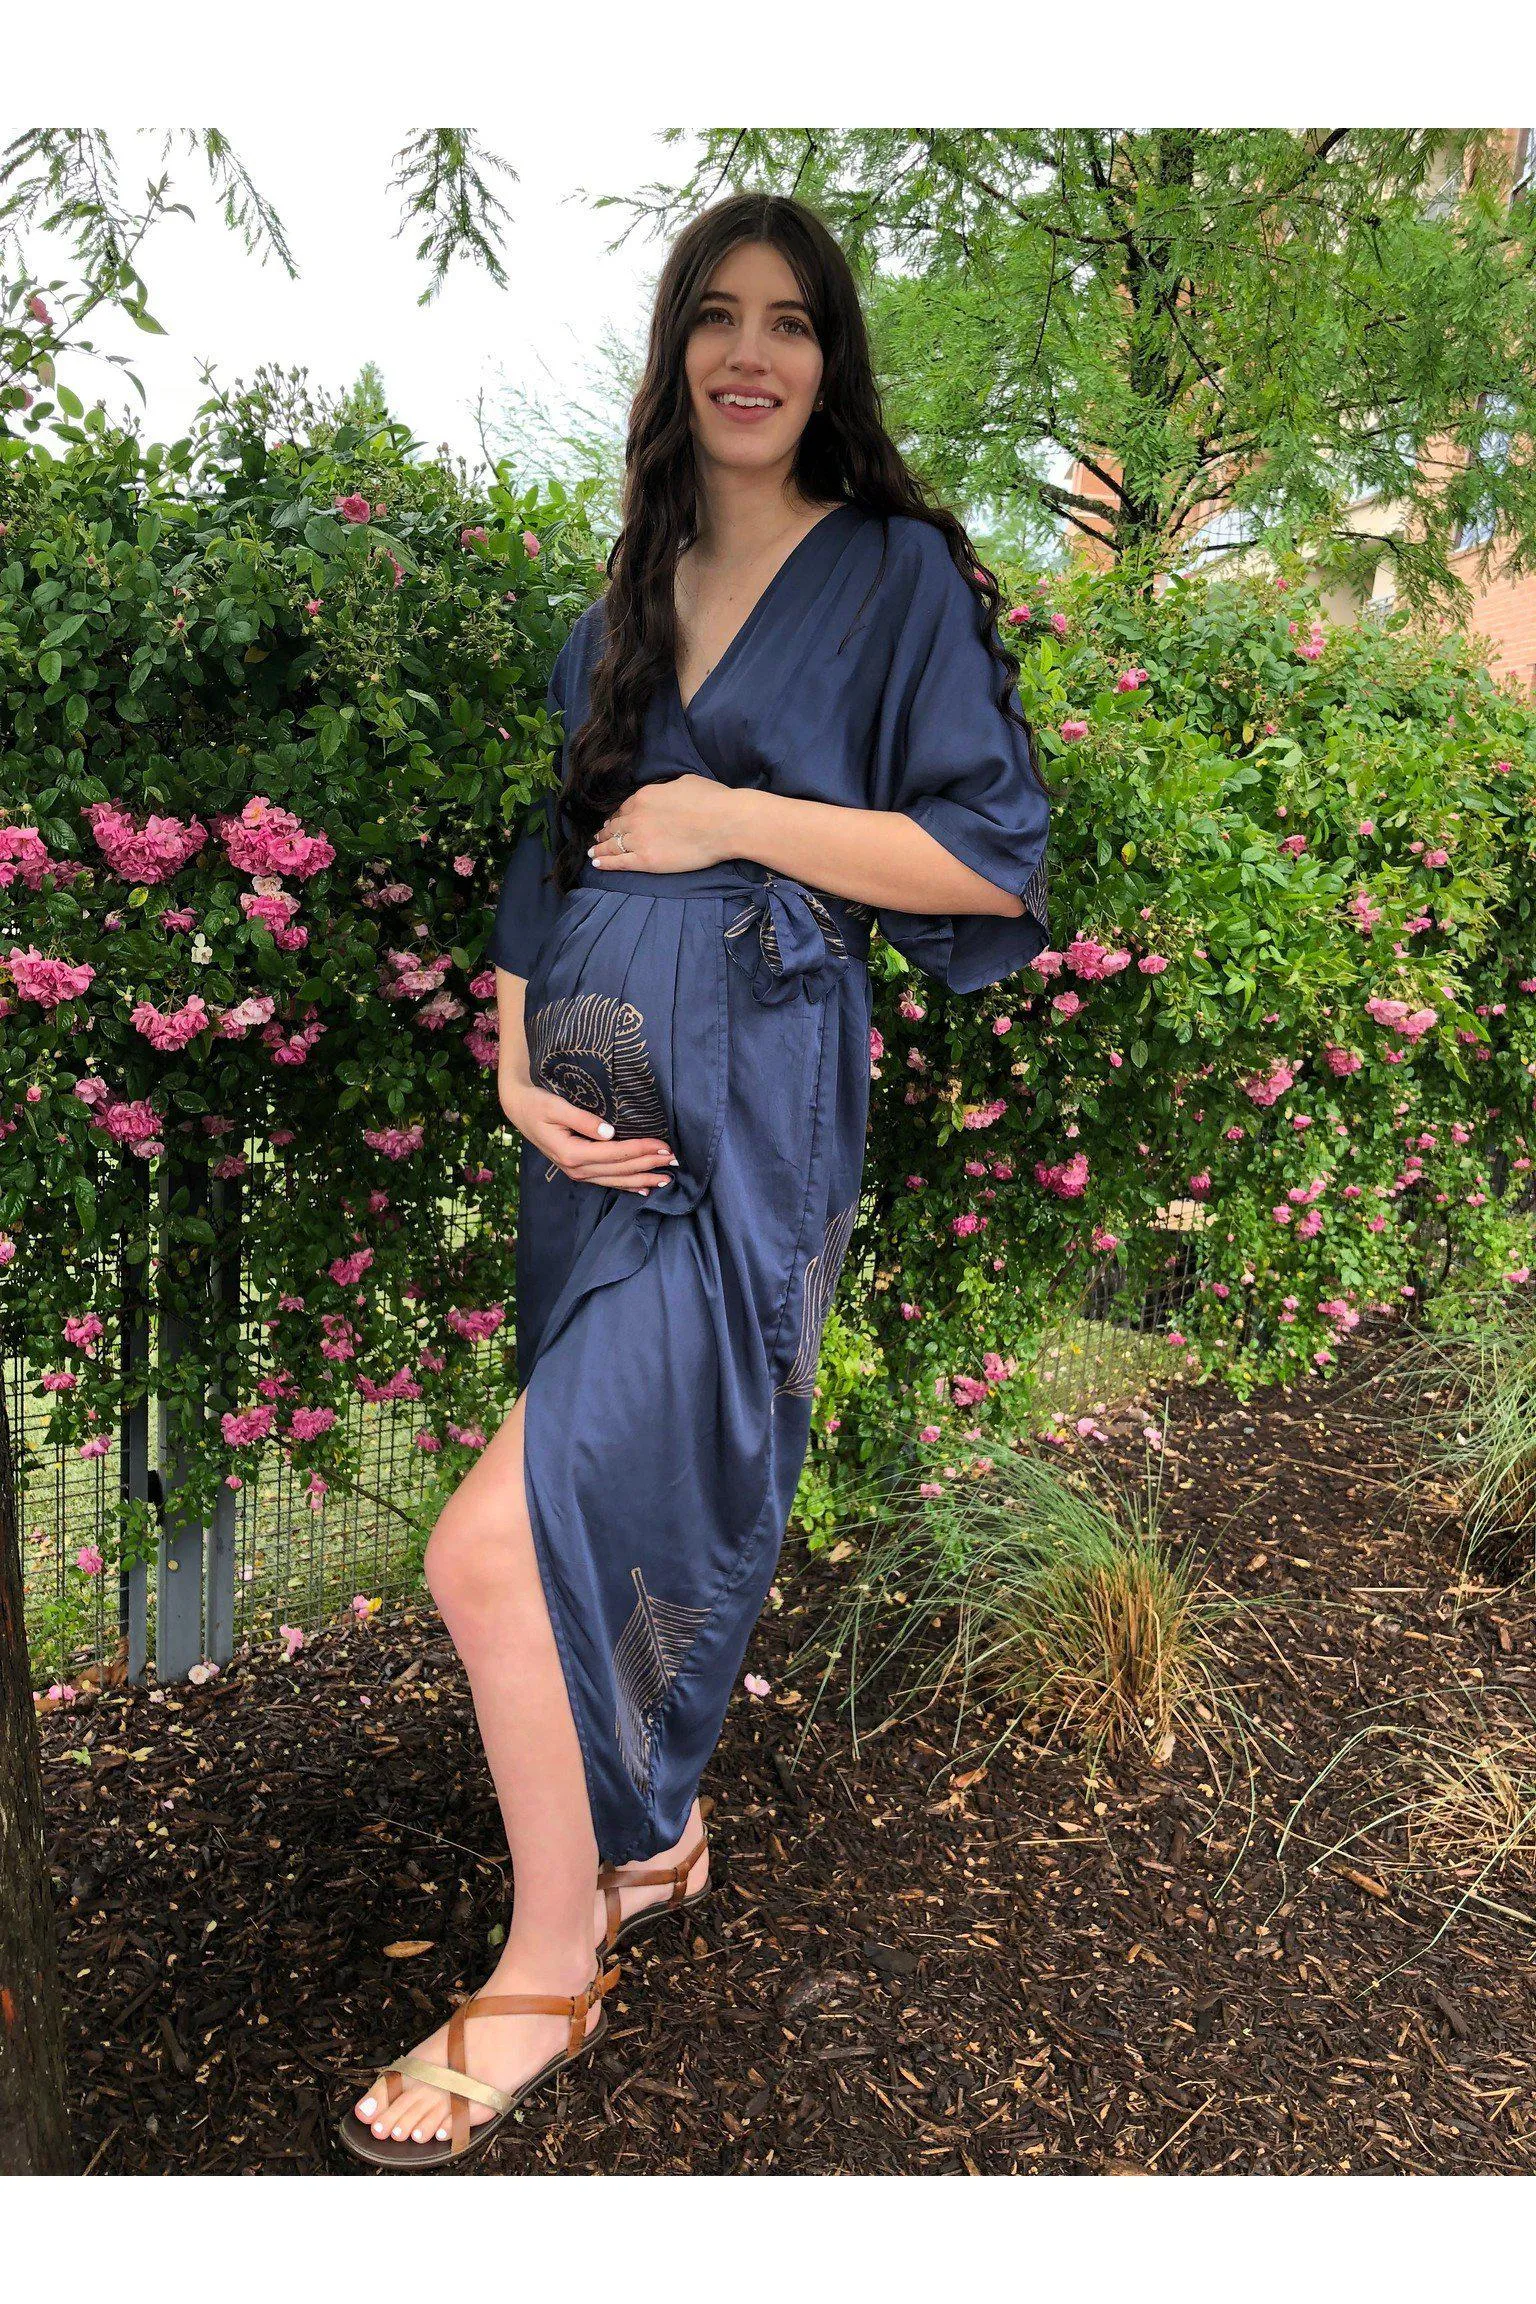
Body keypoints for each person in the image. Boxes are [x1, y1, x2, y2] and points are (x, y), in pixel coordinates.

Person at [339, 191, 1050, 2170]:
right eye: (716, 317)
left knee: (492, 1545)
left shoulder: (892, 575)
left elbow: (990, 868)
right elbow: (544, 863)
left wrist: (741, 811)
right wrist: (507, 1069)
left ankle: (551, 1959)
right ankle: (647, 1842)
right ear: (674, 357)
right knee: (594, 1495)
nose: (753, 351)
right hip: (593, 1109)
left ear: (830, 364)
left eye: (793, 321)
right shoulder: (623, 600)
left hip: (747, 1117)